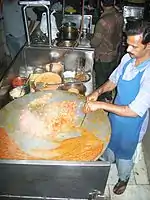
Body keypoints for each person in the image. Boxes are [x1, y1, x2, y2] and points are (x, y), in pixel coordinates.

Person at [84, 20, 150, 195]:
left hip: (133, 124)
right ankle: (107, 162)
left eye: (134, 47)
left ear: (148, 46)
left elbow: (134, 111)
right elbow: (113, 80)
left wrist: (100, 105)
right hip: (116, 113)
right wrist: (97, 92)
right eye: (128, 44)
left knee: (125, 154)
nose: (128, 50)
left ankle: (124, 177)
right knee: (110, 141)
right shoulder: (128, 58)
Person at [90, 0, 123, 101]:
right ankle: (108, 95)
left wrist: (90, 39)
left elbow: (95, 42)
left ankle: (101, 103)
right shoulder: (119, 16)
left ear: (101, 4)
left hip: (103, 56)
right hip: (115, 54)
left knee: (101, 81)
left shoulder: (103, 21)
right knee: (110, 77)